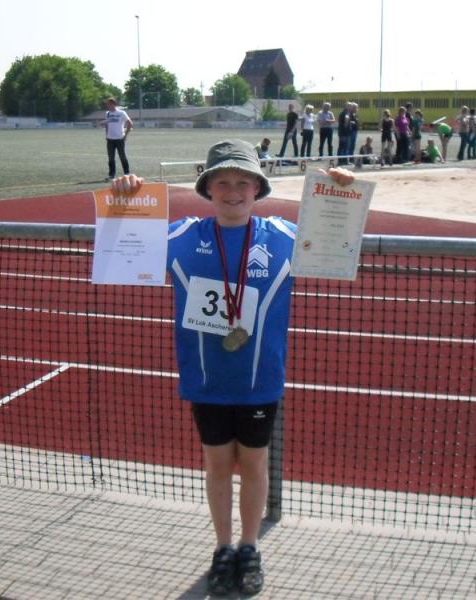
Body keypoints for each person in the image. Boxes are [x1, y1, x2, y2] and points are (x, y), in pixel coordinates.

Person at [111, 140, 356, 597]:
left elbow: (338, 239)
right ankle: (223, 547)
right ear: (207, 188)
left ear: (257, 188)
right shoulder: (183, 235)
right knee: (218, 464)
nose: (233, 191)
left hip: (260, 381)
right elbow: (123, 250)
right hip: (206, 381)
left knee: (256, 464)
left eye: (243, 182)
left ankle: (249, 546)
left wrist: (341, 191)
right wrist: (125, 197)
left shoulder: (284, 236)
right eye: (222, 182)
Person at [102, 97, 133, 180]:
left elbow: (130, 123)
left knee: (122, 156)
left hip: (120, 139)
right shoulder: (107, 113)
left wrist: (125, 135)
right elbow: (107, 124)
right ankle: (111, 175)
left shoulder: (121, 113)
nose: (107, 105)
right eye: (107, 104)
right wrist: (106, 134)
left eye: (108, 104)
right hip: (110, 139)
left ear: (113, 104)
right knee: (111, 158)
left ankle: (127, 173)